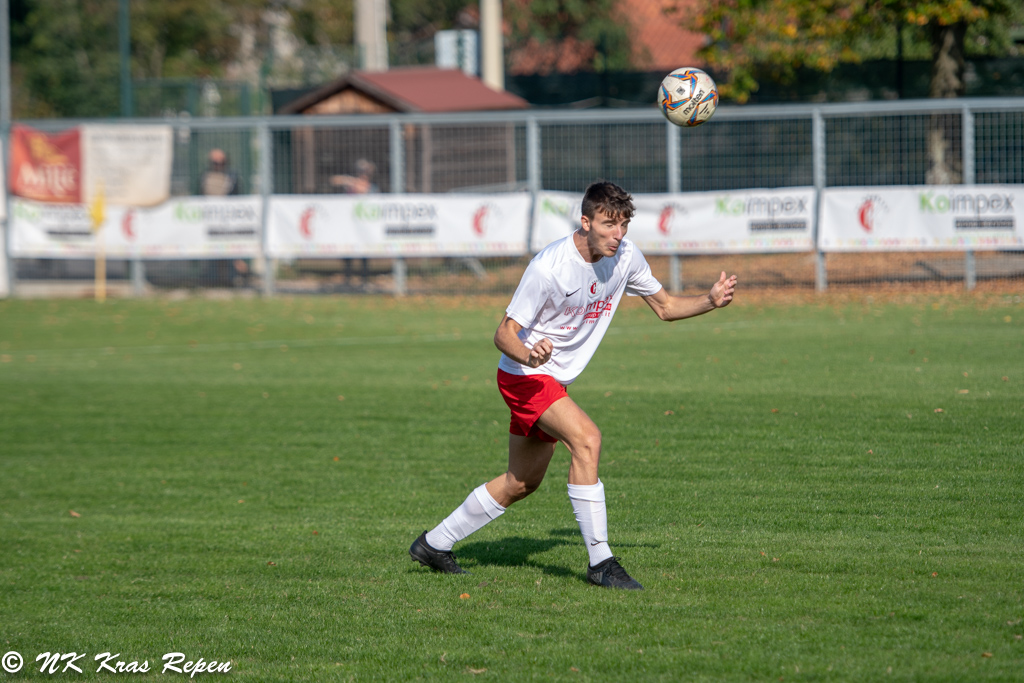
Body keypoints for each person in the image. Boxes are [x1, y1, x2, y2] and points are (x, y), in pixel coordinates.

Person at [409, 180, 738, 590]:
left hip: (551, 379)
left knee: (521, 482)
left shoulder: (626, 257)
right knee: (587, 440)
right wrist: (530, 355)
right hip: (524, 375)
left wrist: (709, 301)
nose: (617, 235)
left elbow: (666, 307)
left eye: (623, 225)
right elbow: (503, 334)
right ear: (586, 222)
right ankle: (601, 562)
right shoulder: (550, 267)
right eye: (608, 224)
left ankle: (433, 544)